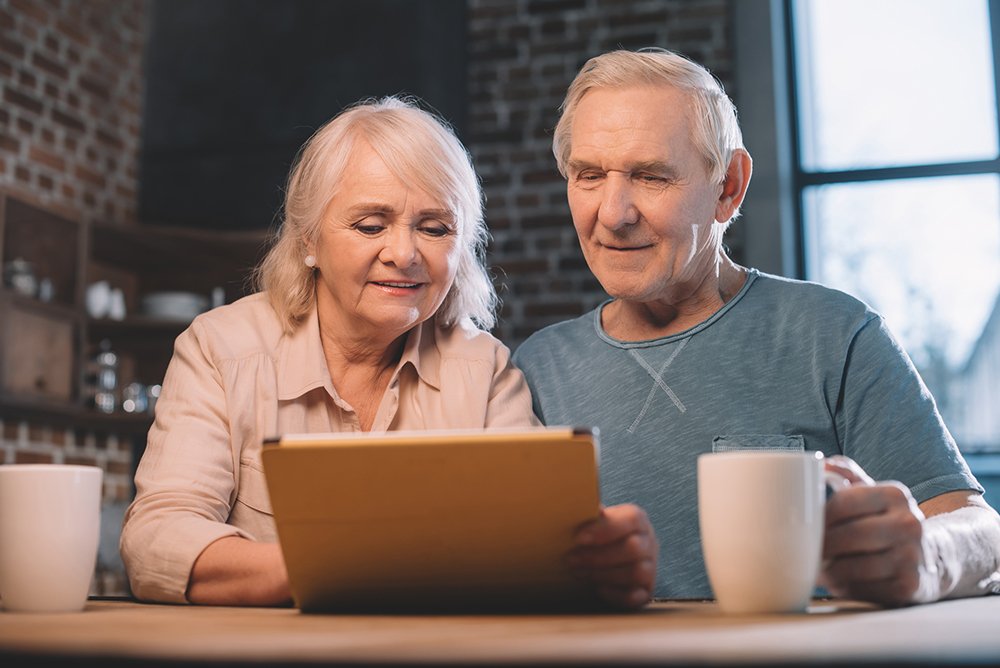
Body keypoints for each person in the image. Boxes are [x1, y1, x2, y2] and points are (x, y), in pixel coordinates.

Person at [120, 96, 657, 609]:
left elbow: (544, 549)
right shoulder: (219, 348)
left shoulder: (486, 369)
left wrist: (603, 561)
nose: (403, 254)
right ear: (308, 240)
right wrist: (333, 568)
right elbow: (156, 542)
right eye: (370, 225)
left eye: (434, 228)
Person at [513, 48, 1000, 606]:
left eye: (651, 177)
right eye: (589, 175)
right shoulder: (535, 369)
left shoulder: (836, 335)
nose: (613, 213)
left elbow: (983, 531)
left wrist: (929, 558)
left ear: (729, 187)